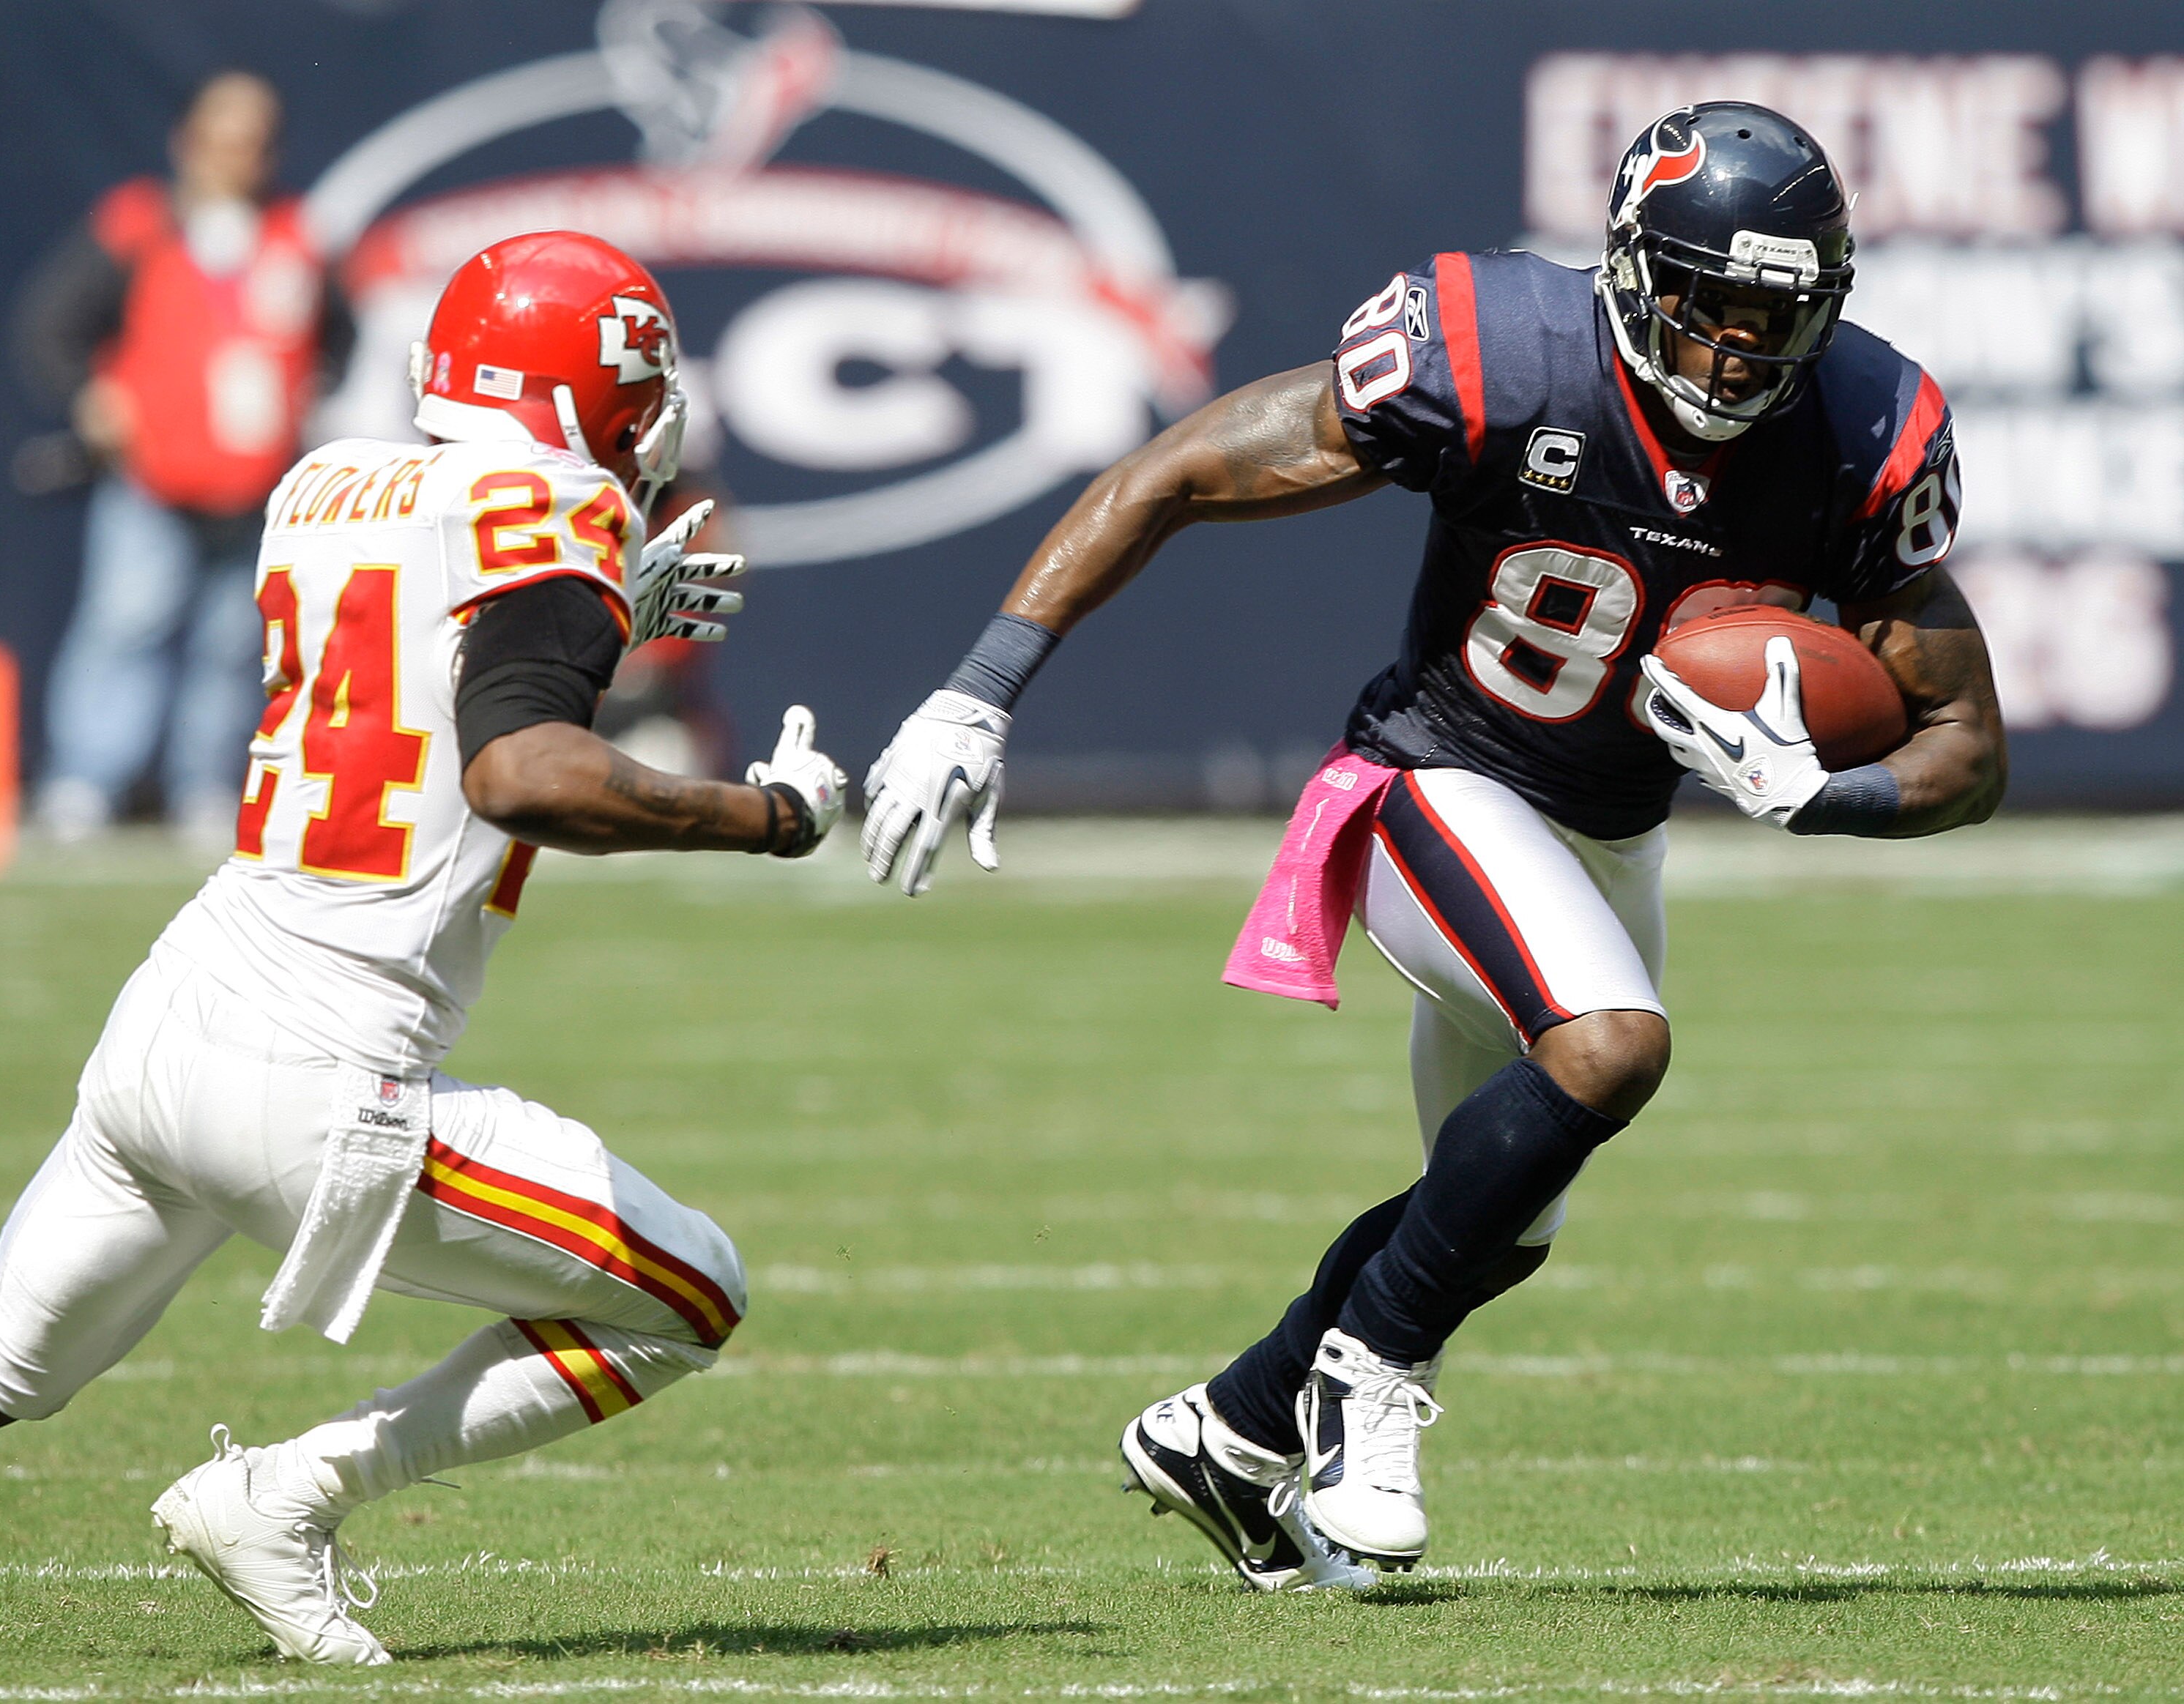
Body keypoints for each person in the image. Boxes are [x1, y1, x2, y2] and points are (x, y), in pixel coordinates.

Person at [857, 104, 2005, 1589]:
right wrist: (978, 691)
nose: (1736, 353)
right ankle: (1373, 1370)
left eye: (1772, 318)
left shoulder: (1864, 428)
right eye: (1708, 306)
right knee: (1612, 1047)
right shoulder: (1502, 353)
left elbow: (1966, 745)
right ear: (1632, 273)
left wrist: (1819, 794)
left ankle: (1232, 1423)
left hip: (1608, 834)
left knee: (1501, 1220)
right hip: (1434, 780)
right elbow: (1175, 472)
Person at [0, 231, 847, 1664]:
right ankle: (286, 1493)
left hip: (168, 1019)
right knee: (692, 1292)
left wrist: (597, 616)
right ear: (597, 392)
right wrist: (766, 816)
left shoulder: (324, 481)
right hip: (320, 1070)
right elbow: (519, 772)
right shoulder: (558, 499)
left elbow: (415, 664)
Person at [14, 70, 351, 845]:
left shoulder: (297, 235)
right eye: (223, 141)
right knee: (127, 622)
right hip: (156, 474)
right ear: (189, 144)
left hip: (256, 481)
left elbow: (340, 335)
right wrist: (93, 397)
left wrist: (308, 394)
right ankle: (86, 781)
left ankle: (205, 783)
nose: (237, 159)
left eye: (253, 144)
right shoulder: (140, 223)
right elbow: (52, 322)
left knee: (233, 645)